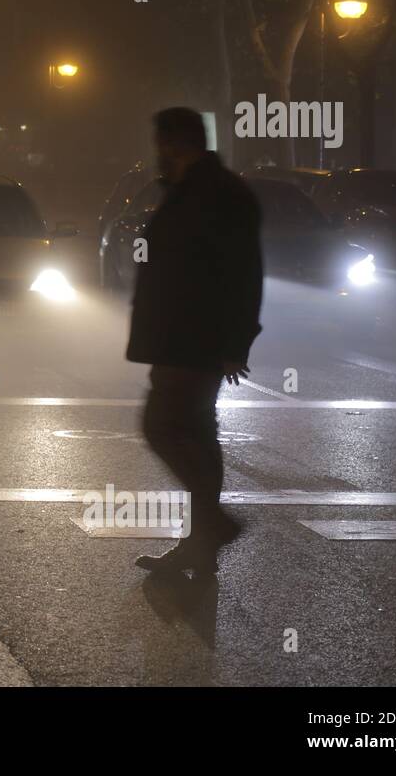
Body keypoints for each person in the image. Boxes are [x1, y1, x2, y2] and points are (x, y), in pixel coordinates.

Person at [127, 108, 263, 576]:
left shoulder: (214, 195)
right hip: (186, 337)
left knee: (161, 427)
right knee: (200, 438)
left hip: (193, 338)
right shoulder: (197, 191)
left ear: (174, 143)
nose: (156, 155)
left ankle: (213, 523)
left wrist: (234, 343)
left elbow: (244, 276)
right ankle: (201, 547)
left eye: (160, 144)